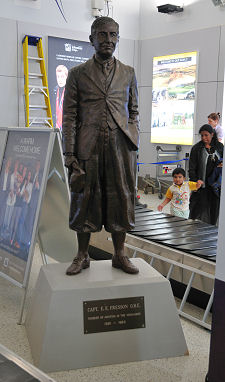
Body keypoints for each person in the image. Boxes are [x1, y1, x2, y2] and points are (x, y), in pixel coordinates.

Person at [62, 16, 139, 275]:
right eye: (103, 35)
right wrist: (69, 153)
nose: (108, 40)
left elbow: (134, 111)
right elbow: (69, 116)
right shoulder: (77, 74)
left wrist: (132, 138)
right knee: (84, 200)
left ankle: (120, 253)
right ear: (92, 39)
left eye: (113, 35)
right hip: (88, 148)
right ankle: (82, 255)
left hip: (119, 147)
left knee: (121, 199)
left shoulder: (128, 73)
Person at [189, 124, 224, 225]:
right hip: (201, 186)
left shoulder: (220, 147)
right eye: (202, 135)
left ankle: (213, 232)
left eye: (206, 135)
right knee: (197, 211)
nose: (204, 138)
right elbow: (192, 168)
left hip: (215, 187)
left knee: (214, 210)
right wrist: (195, 181)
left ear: (212, 134)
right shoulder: (196, 149)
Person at [53, 65, 68, 131]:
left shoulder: (71, 91)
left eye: (62, 76)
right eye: (58, 77)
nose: (60, 79)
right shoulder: (55, 91)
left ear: (66, 77)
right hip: (56, 126)